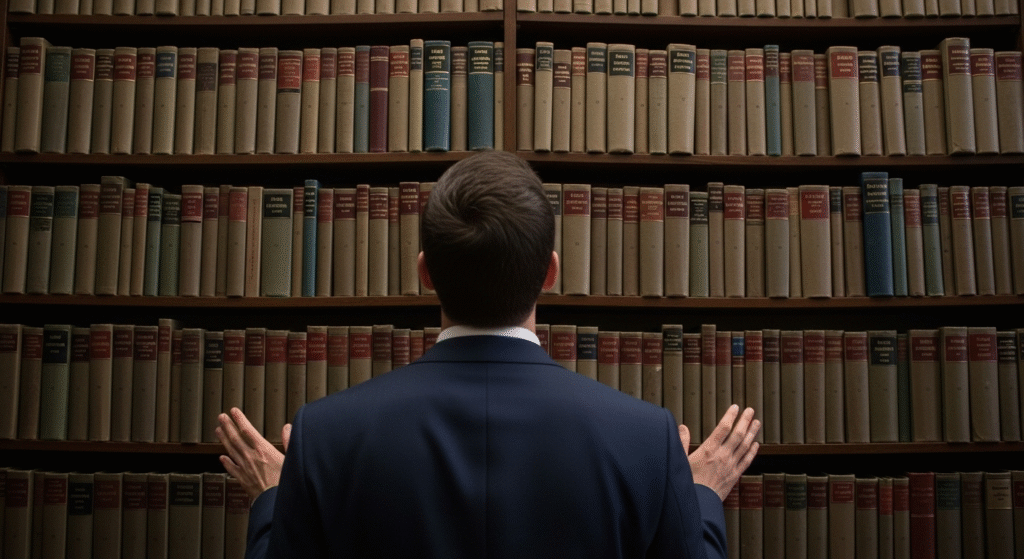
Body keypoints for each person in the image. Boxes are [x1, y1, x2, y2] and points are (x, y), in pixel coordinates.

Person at [217, 150, 760, 559]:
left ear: (424, 272)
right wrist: (701, 498)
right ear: (551, 271)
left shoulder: (325, 436)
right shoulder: (648, 440)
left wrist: (272, 501)